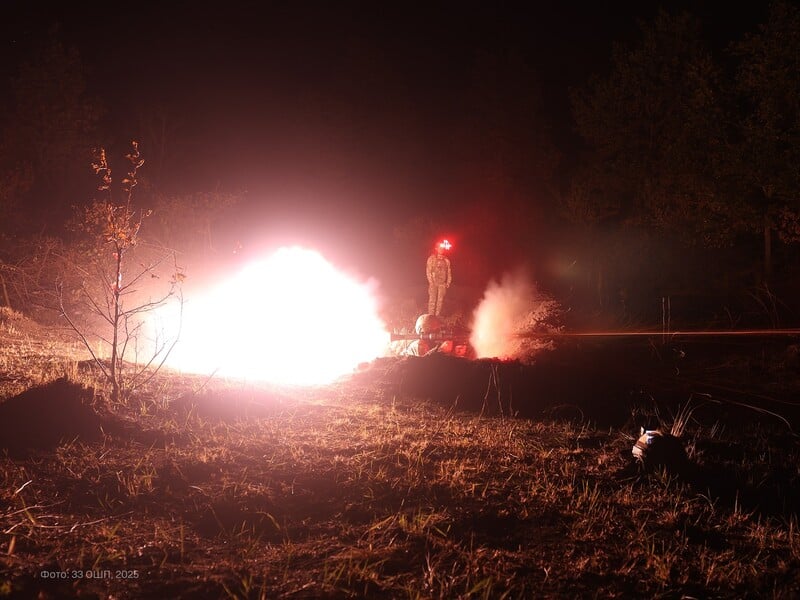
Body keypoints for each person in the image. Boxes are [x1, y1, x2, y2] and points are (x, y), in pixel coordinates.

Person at [426, 239, 452, 316]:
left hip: (442, 284)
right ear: (436, 248)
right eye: (440, 248)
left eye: (442, 248)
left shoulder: (446, 260)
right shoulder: (431, 259)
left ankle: (437, 316)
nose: (441, 249)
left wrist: (448, 282)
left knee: (440, 301)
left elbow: (449, 271)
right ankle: (430, 317)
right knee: (432, 300)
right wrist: (431, 282)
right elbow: (428, 271)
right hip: (433, 283)